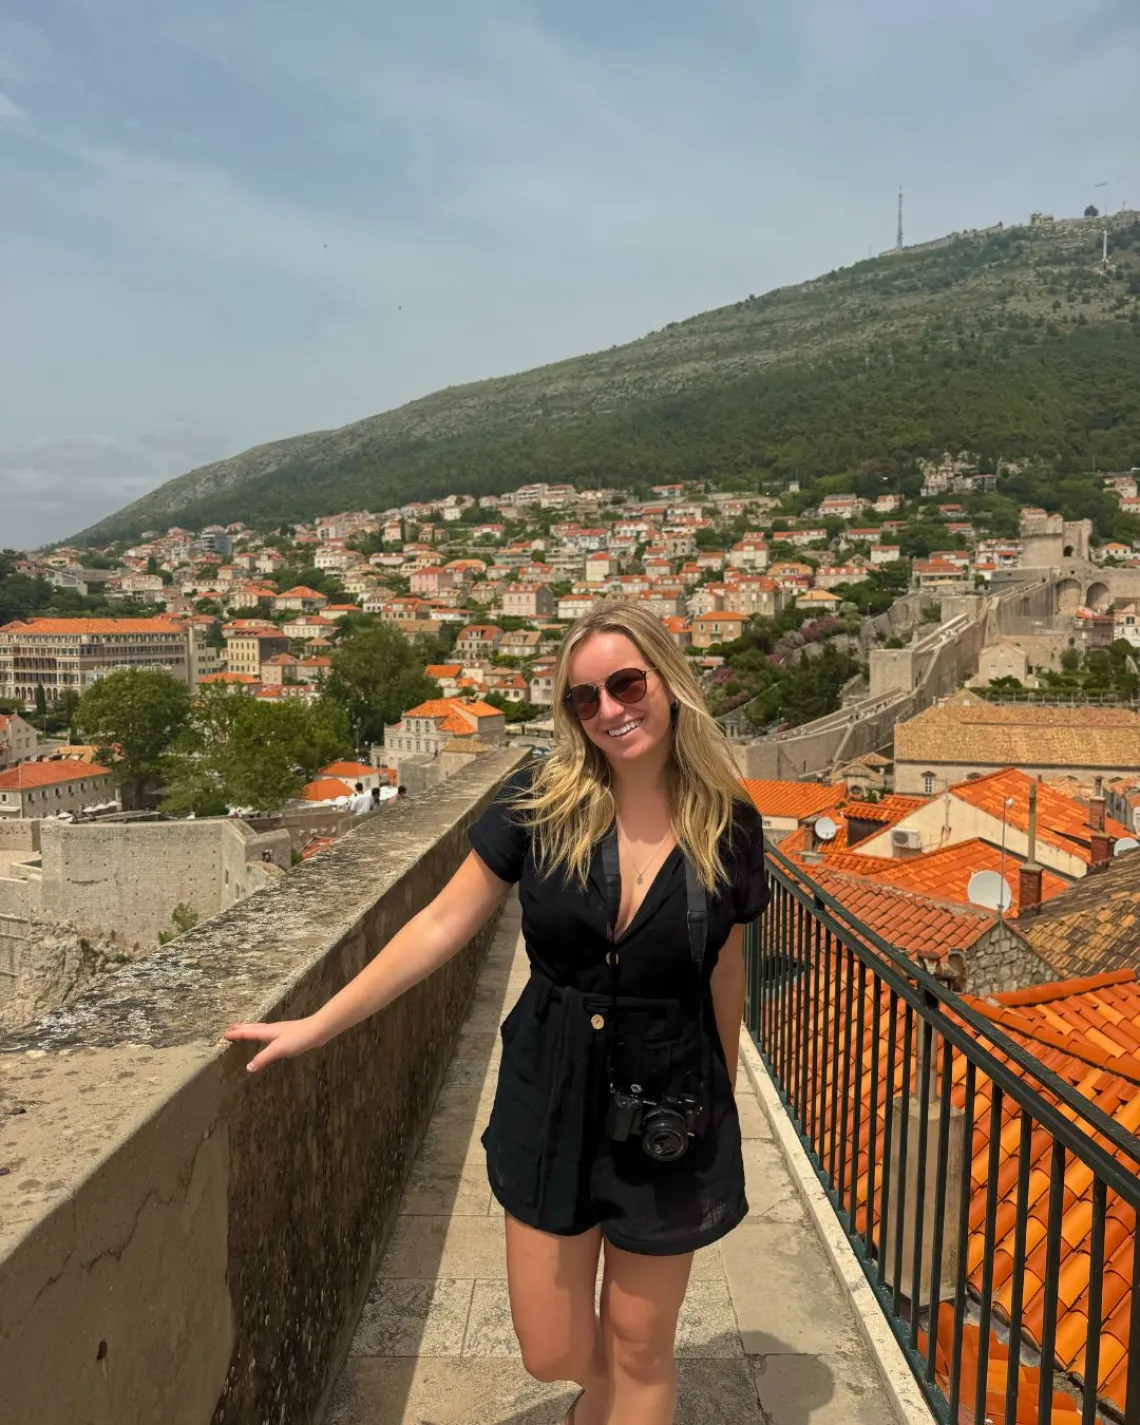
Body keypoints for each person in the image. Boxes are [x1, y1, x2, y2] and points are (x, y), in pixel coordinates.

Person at [223, 600, 767, 1425]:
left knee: (642, 1346)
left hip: (667, 1094)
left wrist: (718, 1092)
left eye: (626, 684)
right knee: (550, 1347)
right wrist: (316, 1022)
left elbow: (725, 968)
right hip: (549, 1088)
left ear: (667, 681)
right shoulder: (539, 801)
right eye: (586, 698)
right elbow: (442, 922)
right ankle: (602, 1396)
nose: (611, 710)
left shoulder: (729, 826)